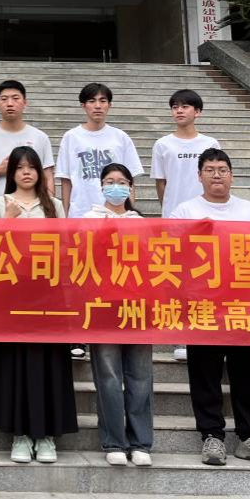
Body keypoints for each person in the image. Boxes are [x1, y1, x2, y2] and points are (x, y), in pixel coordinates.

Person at [172, 148, 250, 468]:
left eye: (222, 169)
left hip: (244, 305)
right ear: (199, 176)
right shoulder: (185, 211)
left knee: (248, 371)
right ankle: (211, 435)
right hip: (203, 304)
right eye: (209, 169)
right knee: (204, 372)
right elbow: (174, 254)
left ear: (232, 175)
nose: (216, 174)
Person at [0, 146, 77, 464]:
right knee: (14, 363)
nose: (26, 172)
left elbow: (65, 249)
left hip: (48, 294)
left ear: (39, 172)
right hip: (9, 294)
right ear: (12, 173)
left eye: (31, 167)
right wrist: (8, 222)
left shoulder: (55, 206)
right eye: (20, 167)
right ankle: (20, 434)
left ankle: (46, 435)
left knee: (48, 363)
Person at [0, 80, 54, 361]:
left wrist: (48, 205)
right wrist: (0, 169)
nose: (10, 103)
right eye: (4, 98)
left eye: (15, 98)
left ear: (25, 102)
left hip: (37, 215)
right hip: (0, 213)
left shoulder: (39, 137)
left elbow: (48, 174)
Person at [55, 82, 142, 359]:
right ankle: (79, 335)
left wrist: (131, 212)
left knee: (116, 277)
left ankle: (116, 326)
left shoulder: (120, 138)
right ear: (83, 105)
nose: (98, 106)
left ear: (109, 105)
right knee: (82, 278)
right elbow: (66, 181)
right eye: (92, 101)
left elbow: (130, 180)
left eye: (103, 101)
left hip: (118, 219)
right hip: (84, 218)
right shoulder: (72, 137)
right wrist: (67, 217)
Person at [85, 163, 153, 467]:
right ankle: (114, 440)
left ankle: (140, 442)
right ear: (101, 186)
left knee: (140, 376)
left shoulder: (141, 222)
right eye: (111, 181)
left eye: (123, 182)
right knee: (109, 376)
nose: (117, 187)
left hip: (138, 306)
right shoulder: (88, 219)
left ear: (131, 188)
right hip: (102, 306)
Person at [153, 90, 220, 363]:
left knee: (206, 277)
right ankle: (181, 336)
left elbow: (217, 175)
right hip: (175, 220)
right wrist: (171, 210)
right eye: (175, 107)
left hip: (206, 220)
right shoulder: (163, 144)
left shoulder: (210, 143)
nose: (179, 111)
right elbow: (161, 183)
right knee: (177, 278)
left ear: (198, 112)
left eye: (185, 106)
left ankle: (207, 329)